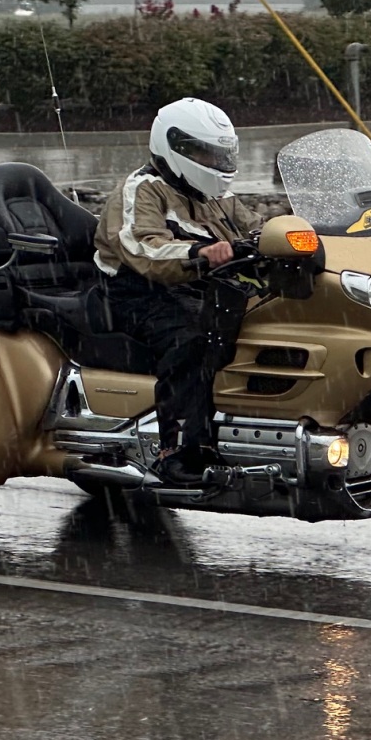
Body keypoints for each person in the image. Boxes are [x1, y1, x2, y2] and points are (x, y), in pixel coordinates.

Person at [94, 97, 261, 485]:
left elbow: (257, 227)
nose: (215, 161)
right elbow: (143, 247)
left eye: (220, 153)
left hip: (192, 289)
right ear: (175, 147)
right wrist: (199, 252)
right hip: (136, 293)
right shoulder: (142, 190)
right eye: (205, 152)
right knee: (193, 338)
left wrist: (296, 235)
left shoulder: (215, 196)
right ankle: (179, 451)